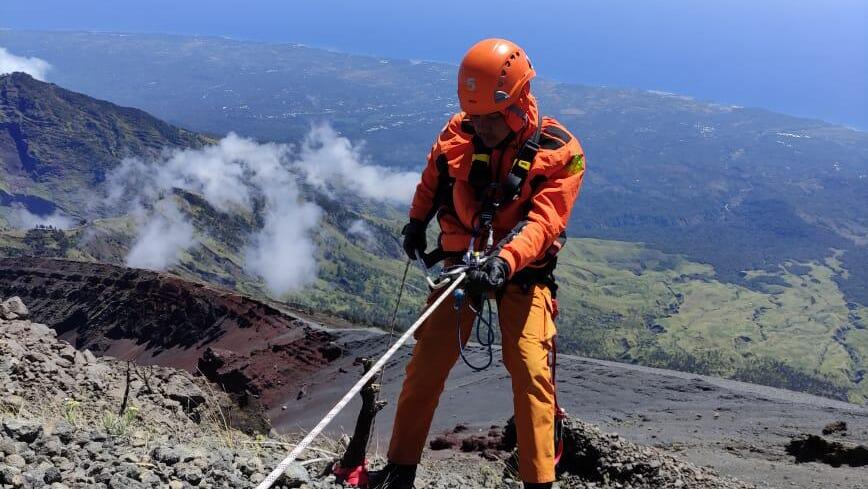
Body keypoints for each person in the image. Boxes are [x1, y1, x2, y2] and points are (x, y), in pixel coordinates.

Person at [371, 38, 586, 489]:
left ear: (519, 103)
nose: (482, 127)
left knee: (530, 371)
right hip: (463, 262)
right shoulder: (460, 129)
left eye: (491, 118)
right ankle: (400, 470)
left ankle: (539, 481)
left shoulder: (560, 152)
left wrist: (504, 262)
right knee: (427, 362)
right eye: (476, 117)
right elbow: (433, 177)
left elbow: (544, 222)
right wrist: (416, 221)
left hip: (522, 271)